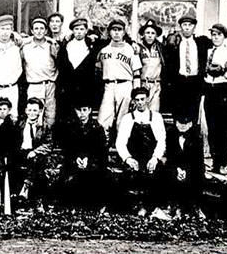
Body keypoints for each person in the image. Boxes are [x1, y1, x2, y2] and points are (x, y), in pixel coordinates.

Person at [115, 87, 168, 218]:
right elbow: (120, 142)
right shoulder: (128, 118)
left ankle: (154, 208)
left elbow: (162, 140)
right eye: (137, 100)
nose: (140, 102)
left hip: (151, 157)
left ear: (148, 99)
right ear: (133, 101)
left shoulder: (156, 117)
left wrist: (155, 158)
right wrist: (128, 158)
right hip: (134, 157)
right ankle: (135, 208)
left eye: (142, 99)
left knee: (159, 175)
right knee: (127, 177)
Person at [203, 24, 227, 175]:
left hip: (224, 92)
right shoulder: (207, 51)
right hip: (210, 92)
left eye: (218, 35)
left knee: (224, 130)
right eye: (213, 34)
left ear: (224, 36)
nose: (215, 37)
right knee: (212, 129)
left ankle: (223, 164)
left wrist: (223, 72)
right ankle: (215, 161)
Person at [96, 19, 142, 143]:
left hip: (125, 85)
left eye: (119, 30)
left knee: (123, 119)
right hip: (109, 85)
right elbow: (98, 70)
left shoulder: (131, 49)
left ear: (124, 32)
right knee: (103, 118)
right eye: (114, 30)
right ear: (110, 32)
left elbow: (137, 73)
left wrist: (136, 93)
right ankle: (104, 147)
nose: (116, 33)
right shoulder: (103, 50)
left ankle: (121, 147)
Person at [60, 99, 108, 206]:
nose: (81, 114)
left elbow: (101, 151)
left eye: (84, 110)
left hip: (92, 163)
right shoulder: (71, 127)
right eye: (78, 110)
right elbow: (68, 148)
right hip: (75, 161)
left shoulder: (97, 128)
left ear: (89, 110)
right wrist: (75, 158)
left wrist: (89, 160)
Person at [164, 14, 212, 121]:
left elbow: (217, 44)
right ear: (180, 27)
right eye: (184, 25)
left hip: (195, 82)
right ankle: (180, 137)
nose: (186, 27)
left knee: (193, 114)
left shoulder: (201, 42)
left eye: (189, 25)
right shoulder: (175, 43)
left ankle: (192, 137)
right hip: (179, 82)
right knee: (179, 114)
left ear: (194, 27)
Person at [56, 18, 98, 122]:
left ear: (86, 31)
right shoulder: (65, 46)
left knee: (83, 119)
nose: (79, 32)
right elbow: (61, 68)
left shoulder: (91, 46)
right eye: (76, 29)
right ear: (72, 31)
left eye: (81, 29)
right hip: (67, 91)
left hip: (84, 90)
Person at [12, 97, 52, 200]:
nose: (32, 113)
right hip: (21, 152)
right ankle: (12, 193)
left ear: (40, 111)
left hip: (35, 153)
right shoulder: (19, 124)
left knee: (36, 162)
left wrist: (35, 151)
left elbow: (48, 144)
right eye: (29, 110)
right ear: (26, 111)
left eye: (35, 110)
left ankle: (25, 188)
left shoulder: (44, 126)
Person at [21, 17, 59, 127]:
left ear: (46, 31)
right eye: (36, 28)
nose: (39, 31)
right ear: (32, 31)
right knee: (34, 116)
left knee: (50, 116)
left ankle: (47, 143)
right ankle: (32, 142)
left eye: (42, 28)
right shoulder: (25, 47)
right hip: (34, 85)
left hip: (50, 85)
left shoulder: (52, 45)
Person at [165, 114, 205, 218]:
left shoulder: (197, 138)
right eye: (180, 123)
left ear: (191, 124)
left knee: (197, 175)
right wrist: (178, 170)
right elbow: (170, 156)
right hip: (176, 167)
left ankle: (193, 206)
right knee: (169, 172)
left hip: (191, 168)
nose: (182, 125)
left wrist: (186, 171)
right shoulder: (171, 135)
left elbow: (197, 160)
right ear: (176, 123)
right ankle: (173, 205)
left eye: (186, 123)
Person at [137, 19, 167, 112]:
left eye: (153, 33)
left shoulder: (161, 48)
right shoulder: (138, 48)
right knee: (140, 112)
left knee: (153, 112)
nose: (150, 35)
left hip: (155, 84)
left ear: (156, 35)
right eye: (147, 32)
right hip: (142, 84)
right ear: (143, 34)